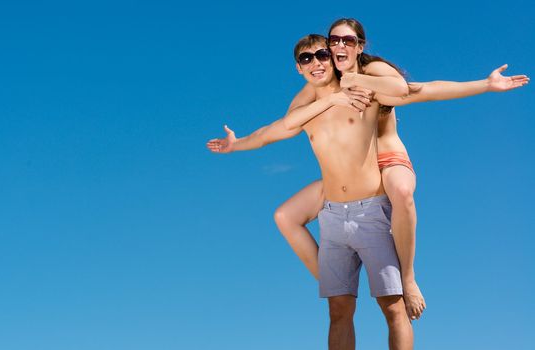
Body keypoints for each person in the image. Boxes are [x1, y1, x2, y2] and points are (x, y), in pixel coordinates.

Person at [207, 33, 528, 349]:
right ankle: (333, 278)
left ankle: (405, 278)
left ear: (333, 59)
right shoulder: (303, 111)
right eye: (306, 59)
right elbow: (269, 133)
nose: (316, 63)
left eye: (322, 55)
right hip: (332, 217)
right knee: (338, 311)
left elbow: (422, 91)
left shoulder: (365, 92)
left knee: (393, 307)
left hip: (371, 212)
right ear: (298, 68)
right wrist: (236, 145)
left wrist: (485, 85)